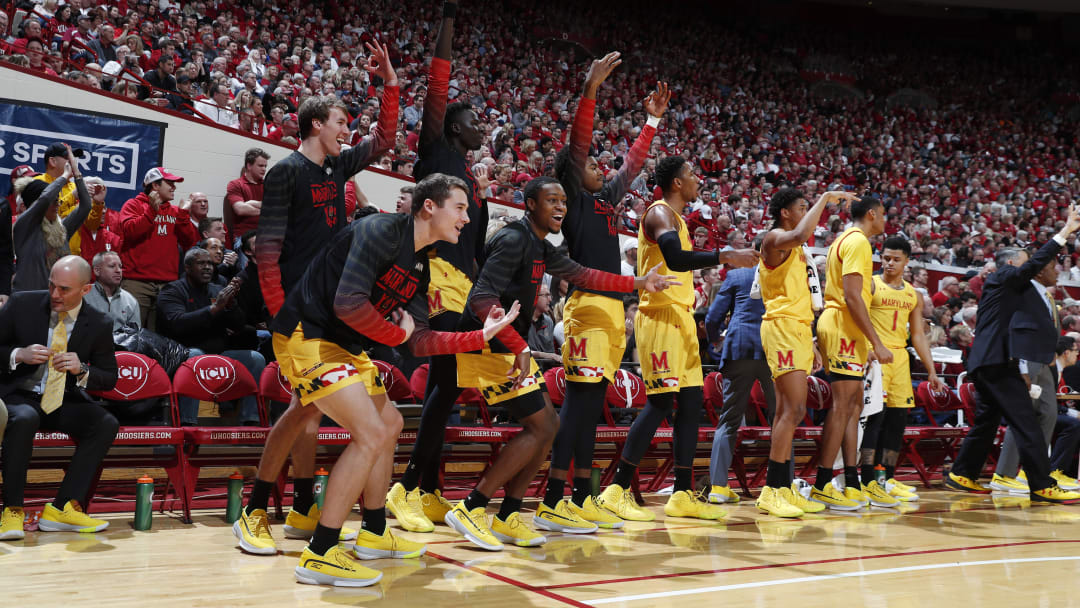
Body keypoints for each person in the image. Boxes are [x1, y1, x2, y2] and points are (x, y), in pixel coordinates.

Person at [242, 173, 521, 586]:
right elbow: (349, 304)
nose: (466, 217)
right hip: (307, 334)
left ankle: (373, 531)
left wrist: (480, 336)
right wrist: (397, 334)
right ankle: (319, 552)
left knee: (388, 424)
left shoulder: (422, 263)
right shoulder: (378, 231)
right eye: (460, 208)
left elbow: (419, 342)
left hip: (345, 345)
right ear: (430, 206)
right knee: (367, 430)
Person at [443, 176, 678, 549]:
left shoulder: (541, 245)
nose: (560, 208)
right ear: (530, 204)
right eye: (551, 200)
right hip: (487, 346)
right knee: (541, 427)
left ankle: (509, 515)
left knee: (549, 426)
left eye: (564, 202)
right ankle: (473, 505)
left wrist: (639, 282)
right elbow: (481, 297)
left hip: (507, 347)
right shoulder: (513, 239)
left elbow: (584, 275)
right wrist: (518, 343)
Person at [247, 41, 399, 551]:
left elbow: (384, 140)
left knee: (318, 413)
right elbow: (267, 251)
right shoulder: (285, 172)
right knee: (305, 413)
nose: (346, 132)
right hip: (296, 313)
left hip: (333, 314)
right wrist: (281, 319)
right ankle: (263, 509)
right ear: (316, 125)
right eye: (339, 122)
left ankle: (307, 507)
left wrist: (390, 85)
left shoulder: (336, 168)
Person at [538, 51, 667, 531]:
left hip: (613, 313)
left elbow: (633, 165)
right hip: (589, 309)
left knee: (592, 410)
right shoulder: (571, 202)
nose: (599, 167)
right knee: (578, 407)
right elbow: (578, 145)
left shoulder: (603, 200)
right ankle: (555, 498)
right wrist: (590, 90)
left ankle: (582, 496)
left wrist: (651, 120)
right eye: (591, 165)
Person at [596, 156, 758, 522]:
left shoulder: (679, 219)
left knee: (690, 405)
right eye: (690, 174)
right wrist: (725, 255)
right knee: (660, 403)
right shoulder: (658, 214)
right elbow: (675, 257)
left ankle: (682, 493)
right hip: (659, 317)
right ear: (675, 183)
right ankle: (616, 490)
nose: (697, 177)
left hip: (681, 318)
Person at [388, 0, 496, 533]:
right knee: (445, 385)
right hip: (433, 279)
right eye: (473, 122)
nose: (481, 129)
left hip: (463, 284)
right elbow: (437, 86)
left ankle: (427, 487)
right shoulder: (436, 153)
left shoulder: (468, 181)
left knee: (447, 387)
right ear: (452, 129)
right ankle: (407, 486)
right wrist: (451, 18)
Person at [945, 206, 1080, 504]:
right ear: (1010, 263)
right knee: (1026, 421)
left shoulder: (1010, 291)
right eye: (1024, 262)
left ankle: (961, 473)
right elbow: (1030, 269)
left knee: (987, 422)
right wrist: (1064, 233)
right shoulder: (1002, 276)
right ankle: (1041, 484)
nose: (1028, 266)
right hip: (995, 361)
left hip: (991, 360)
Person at [0, 256, 118, 540]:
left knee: (105, 423)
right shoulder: (22, 304)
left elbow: (109, 378)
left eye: (64, 289)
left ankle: (63, 507)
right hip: (19, 395)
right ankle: (12, 510)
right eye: (52, 286)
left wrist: (83, 370)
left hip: (62, 399)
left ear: (85, 290)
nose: (55, 294)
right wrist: (19, 355)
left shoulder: (100, 322)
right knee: (24, 418)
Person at [752, 188, 850, 517]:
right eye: (802, 206)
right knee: (791, 410)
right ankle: (771, 489)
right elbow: (800, 233)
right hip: (780, 327)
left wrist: (810, 340)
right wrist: (825, 198)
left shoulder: (797, 250)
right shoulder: (774, 238)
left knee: (790, 411)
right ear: (785, 212)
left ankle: (782, 486)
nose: (807, 210)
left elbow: (798, 296)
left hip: (796, 329)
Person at [810, 194, 891, 511]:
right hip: (843, 325)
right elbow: (854, 297)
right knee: (843, 407)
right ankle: (822, 484)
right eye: (882, 214)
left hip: (847, 328)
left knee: (854, 405)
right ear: (871, 214)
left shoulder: (844, 239)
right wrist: (877, 342)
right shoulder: (858, 242)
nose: (885, 220)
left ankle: (852, 481)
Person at [857, 236, 943, 504]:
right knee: (875, 421)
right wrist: (867, 347)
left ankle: (888, 478)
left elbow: (917, 335)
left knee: (896, 423)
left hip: (901, 360)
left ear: (907, 262)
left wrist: (931, 370)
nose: (889, 263)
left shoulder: (913, 295)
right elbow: (856, 320)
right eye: (885, 258)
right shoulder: (870, 284)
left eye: (895, 259)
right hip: (875, 358)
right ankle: (868, 478)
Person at [987, 251, 1075, 493]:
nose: (1057, 272)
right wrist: (1020, 364)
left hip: (1045, 361)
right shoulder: (1022, 291)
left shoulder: (1045, 296)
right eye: (1053, 267)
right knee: (1022, 418)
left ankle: (1032, 470)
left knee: (1048, 414)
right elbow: (1015, 329)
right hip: (1026, 361)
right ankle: (1003, 474)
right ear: (1039, 271)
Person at [157, 249, 264, 425]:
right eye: (201, 264)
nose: (207, 268)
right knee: (195, 356)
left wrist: (230, 306)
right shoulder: (172, 290)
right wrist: (214, 309)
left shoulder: (218, 290)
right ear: (188, 267)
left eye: (210, 264)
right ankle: (187, 422)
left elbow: (238, 326)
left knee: (256, 359)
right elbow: (177, 324)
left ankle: (250, 420)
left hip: (217, 354)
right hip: (182, 354)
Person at [119, 167, 199, 331]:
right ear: (155, 185)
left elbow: (190, 243)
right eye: (169, 183)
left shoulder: (175, 211)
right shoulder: (133, 205)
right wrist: (151, 212)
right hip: (137, 283)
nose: (174, 187)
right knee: (131, 333)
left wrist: (184, 215)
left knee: (161, 336)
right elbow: (130, 232)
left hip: (167, 285)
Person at [13, 145, 92, 293]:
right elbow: (44, 198)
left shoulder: (61, 229)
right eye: (54, 200)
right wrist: (64, 176)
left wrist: (76, 173)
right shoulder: (25, 225)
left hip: (53, 301)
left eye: (58, 200)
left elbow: (86, 206)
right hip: (25, 299)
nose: (58, 203)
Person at [83, 251, 140, 332]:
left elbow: (134, 337)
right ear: (97, 271)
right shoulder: (81, 296)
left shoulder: (131, 301)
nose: (118, 270)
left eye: (120, 267)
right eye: (112, 266)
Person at [75, 176, 122, 268]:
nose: (103, 211)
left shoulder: (113, 239)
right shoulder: (72, 233)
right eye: (93, 203)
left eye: (101, 204)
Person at [225, 148, 268, 249]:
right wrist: (267, 209)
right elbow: (240, 209)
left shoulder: (269, 185)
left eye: (265, 166)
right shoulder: (235, 184)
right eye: (260, 165)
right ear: (249, 166)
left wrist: (251, 203)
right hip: (243, 237)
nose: (264, 169)